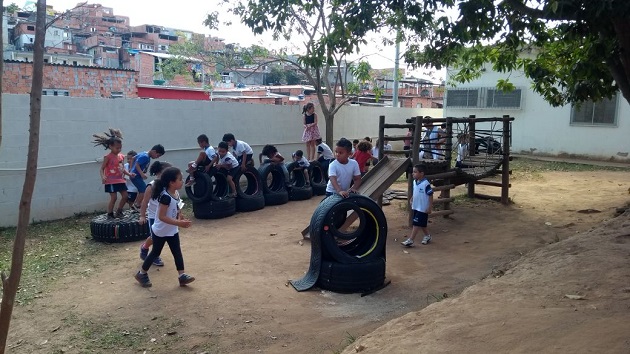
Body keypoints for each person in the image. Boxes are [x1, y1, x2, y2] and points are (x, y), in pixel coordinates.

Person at [134, 167, 194, 288]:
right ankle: (141, 274)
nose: (182, 181)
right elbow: (161, 216)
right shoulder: (165, 197)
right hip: (161, 231)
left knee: (177, 252)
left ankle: (182, 276)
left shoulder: (175, 193)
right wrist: (179, 223)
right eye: (180, 179)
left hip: (171, 230)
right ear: (172, 182)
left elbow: (176, 207)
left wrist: (180, 216)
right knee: (155, 252)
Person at [138, 161, 173, 267]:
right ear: (159, 172)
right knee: (156, 237)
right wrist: (142, 215)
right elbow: (144, 202)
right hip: (154, 216)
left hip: (166, 216)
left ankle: (145, 247)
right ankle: (152, 254)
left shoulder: (169, 185)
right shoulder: (151, 186)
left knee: (162, 236)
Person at [92, 129, 131, 219]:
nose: (119, 149)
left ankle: (119, 211)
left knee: (125, 196)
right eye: (117, 148)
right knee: (114, 198)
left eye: (120, 148)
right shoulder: (108, 157)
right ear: (110, 146)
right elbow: (102, 168)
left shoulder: (121, 156)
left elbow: (122, 168)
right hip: (111, 181)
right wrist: (103, 176)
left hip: (120, 180)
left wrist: (129, 174)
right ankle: (110, 213)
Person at [401, 165, 434, 247]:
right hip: (416, 206)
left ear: (422, 173)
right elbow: (416, 192)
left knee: (416, 223)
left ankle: (411, 240)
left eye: (415, 172)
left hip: (423, 208)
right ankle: (428, 236)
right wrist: (412, 199)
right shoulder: (415, 182)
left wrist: (429, 207)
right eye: (413, 172)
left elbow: (430, 195)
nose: (413, 174)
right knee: (422, 224)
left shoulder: (426, 184)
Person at [130, 144, 165, 211]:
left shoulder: (144, 153)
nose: (157, 157)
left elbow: (133, 158)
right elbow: (137, 165)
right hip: (136, 176)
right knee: (143, 190)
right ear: (154, 151)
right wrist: (141, 173)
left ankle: (136, 205)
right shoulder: (145, 156)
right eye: (158, 155)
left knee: (142, 190)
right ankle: (136, 205)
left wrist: (131, 169)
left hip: (136, 175)